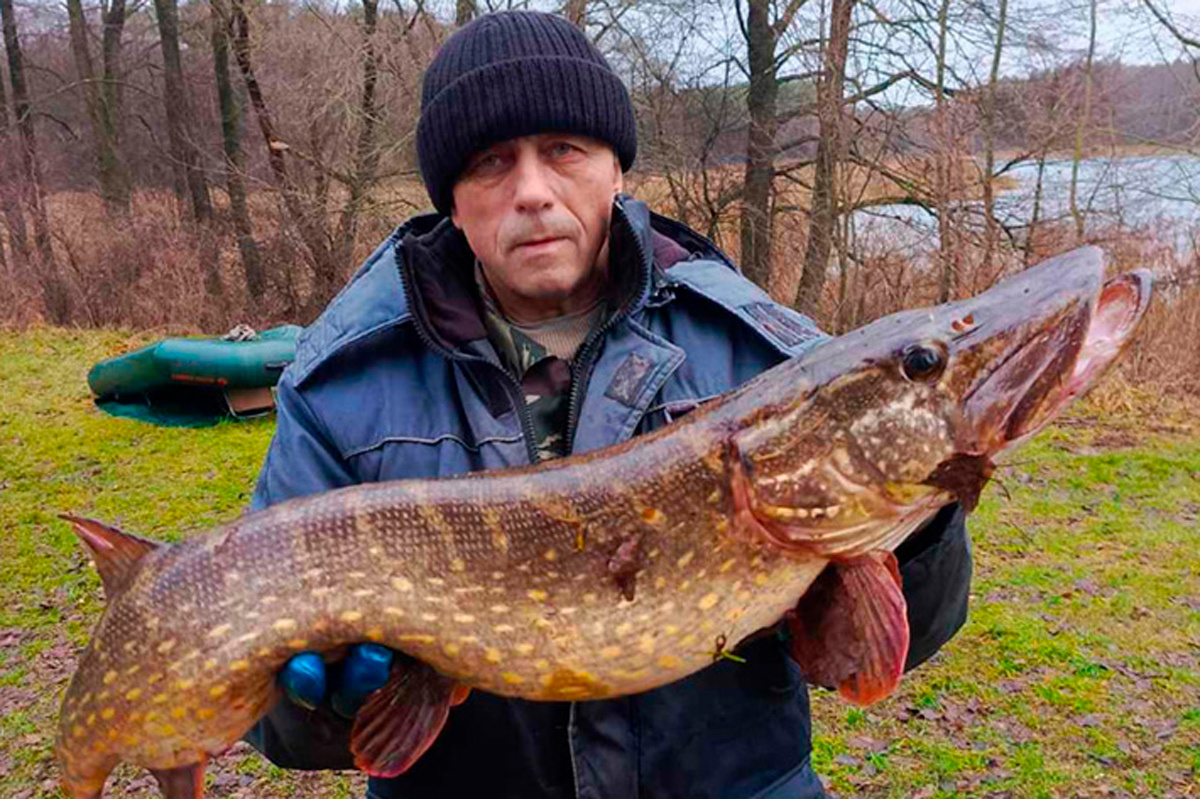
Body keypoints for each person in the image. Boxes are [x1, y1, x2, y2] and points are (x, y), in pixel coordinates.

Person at [245, 10, 973, 798]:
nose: (532, 192)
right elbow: (275, 724)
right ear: (451, 201)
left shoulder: (765, 355)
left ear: (615, 170)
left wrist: (919, 515)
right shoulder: (338, 385)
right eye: (491, 162)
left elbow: (880, 648)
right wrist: (321, 702)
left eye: (564, 150)